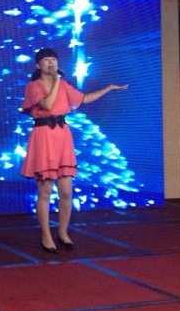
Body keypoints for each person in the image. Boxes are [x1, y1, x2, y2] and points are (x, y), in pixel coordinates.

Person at [20, 47, 127, 253]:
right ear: (38, 65)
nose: (51, 63)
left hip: (62, 136)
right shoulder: (34, 86)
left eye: (53, 59)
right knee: (45, 191)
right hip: (44, 136)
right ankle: (46, 236)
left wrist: (108, 89)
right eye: (46, 60)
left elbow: (83, 99)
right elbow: (48, 104)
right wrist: (56, 81)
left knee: (66, 192)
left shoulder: (63, 85)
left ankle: (63, 232)